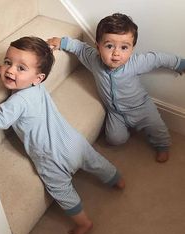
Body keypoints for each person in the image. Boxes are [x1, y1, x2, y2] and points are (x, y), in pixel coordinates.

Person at [0, 36, 125, 234]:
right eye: (8, 62)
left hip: (50, 156)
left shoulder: (16, 102)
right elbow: (21, 74)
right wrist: (7, 72)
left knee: (61, 190)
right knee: (95, 161)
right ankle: (116, 179)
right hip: (73, 141)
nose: (10, 70)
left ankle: (84, 223)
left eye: (20, 68)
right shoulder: (37, 87)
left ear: (38, 78)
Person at [47, 13, 185, 163]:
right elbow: (80, 48)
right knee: (114, 139)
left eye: (124, 47)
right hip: (115, 112)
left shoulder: (136, 63)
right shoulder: (94, 60)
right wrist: (63, 42)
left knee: (157, 128)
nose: (116, 53)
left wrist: (179, 64)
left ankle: (162, 146)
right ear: (98, 46)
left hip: (141, 107)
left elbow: (158, 59)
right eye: (109, 46)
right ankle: (127, 130)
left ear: (132, 49)